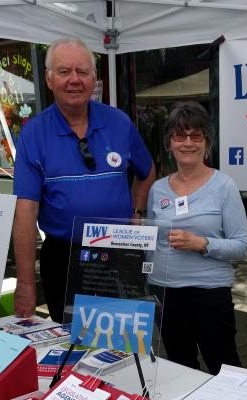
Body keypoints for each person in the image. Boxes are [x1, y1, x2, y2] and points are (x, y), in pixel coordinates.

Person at [12, 37, 156, 321]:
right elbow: (25, 215)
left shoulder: (119, 122)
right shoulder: (33, 134)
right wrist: (26, 283)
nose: (74, 80)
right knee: (70, 346)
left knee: (125, 341)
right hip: (64, 258)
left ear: (94, 78)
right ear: (49, 79)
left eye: (82, 72)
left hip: (119, 252)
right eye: (64, 72)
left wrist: (137, 211)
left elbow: (147, 171)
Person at [147, 102, 247, 374]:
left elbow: (241, 246)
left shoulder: (224, 186)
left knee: (224, 367)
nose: (188, 143)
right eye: (180, 136)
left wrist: (201, 244)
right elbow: (152, 242)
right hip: (166, 292)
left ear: (207, 142)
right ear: (170, 143)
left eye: (196, 136)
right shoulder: (157, 189)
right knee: (180, 368)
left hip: (210, 293)